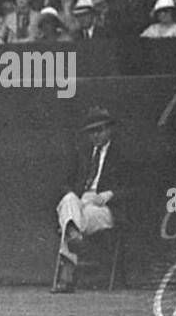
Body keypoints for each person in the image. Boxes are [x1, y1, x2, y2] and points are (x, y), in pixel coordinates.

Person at [53, 107, 127, 293]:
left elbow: (136, 188)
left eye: (99, 130)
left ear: (109, 130)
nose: (95, 135)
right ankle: (74, 235)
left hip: (104, 208)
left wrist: (109, 195)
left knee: (71, 219)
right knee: (69, 200)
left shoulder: (122, 154)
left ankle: (67, 273)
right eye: (91, 132)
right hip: (81, 203)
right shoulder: (83, 152)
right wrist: (78, 197)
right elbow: (64, 183)